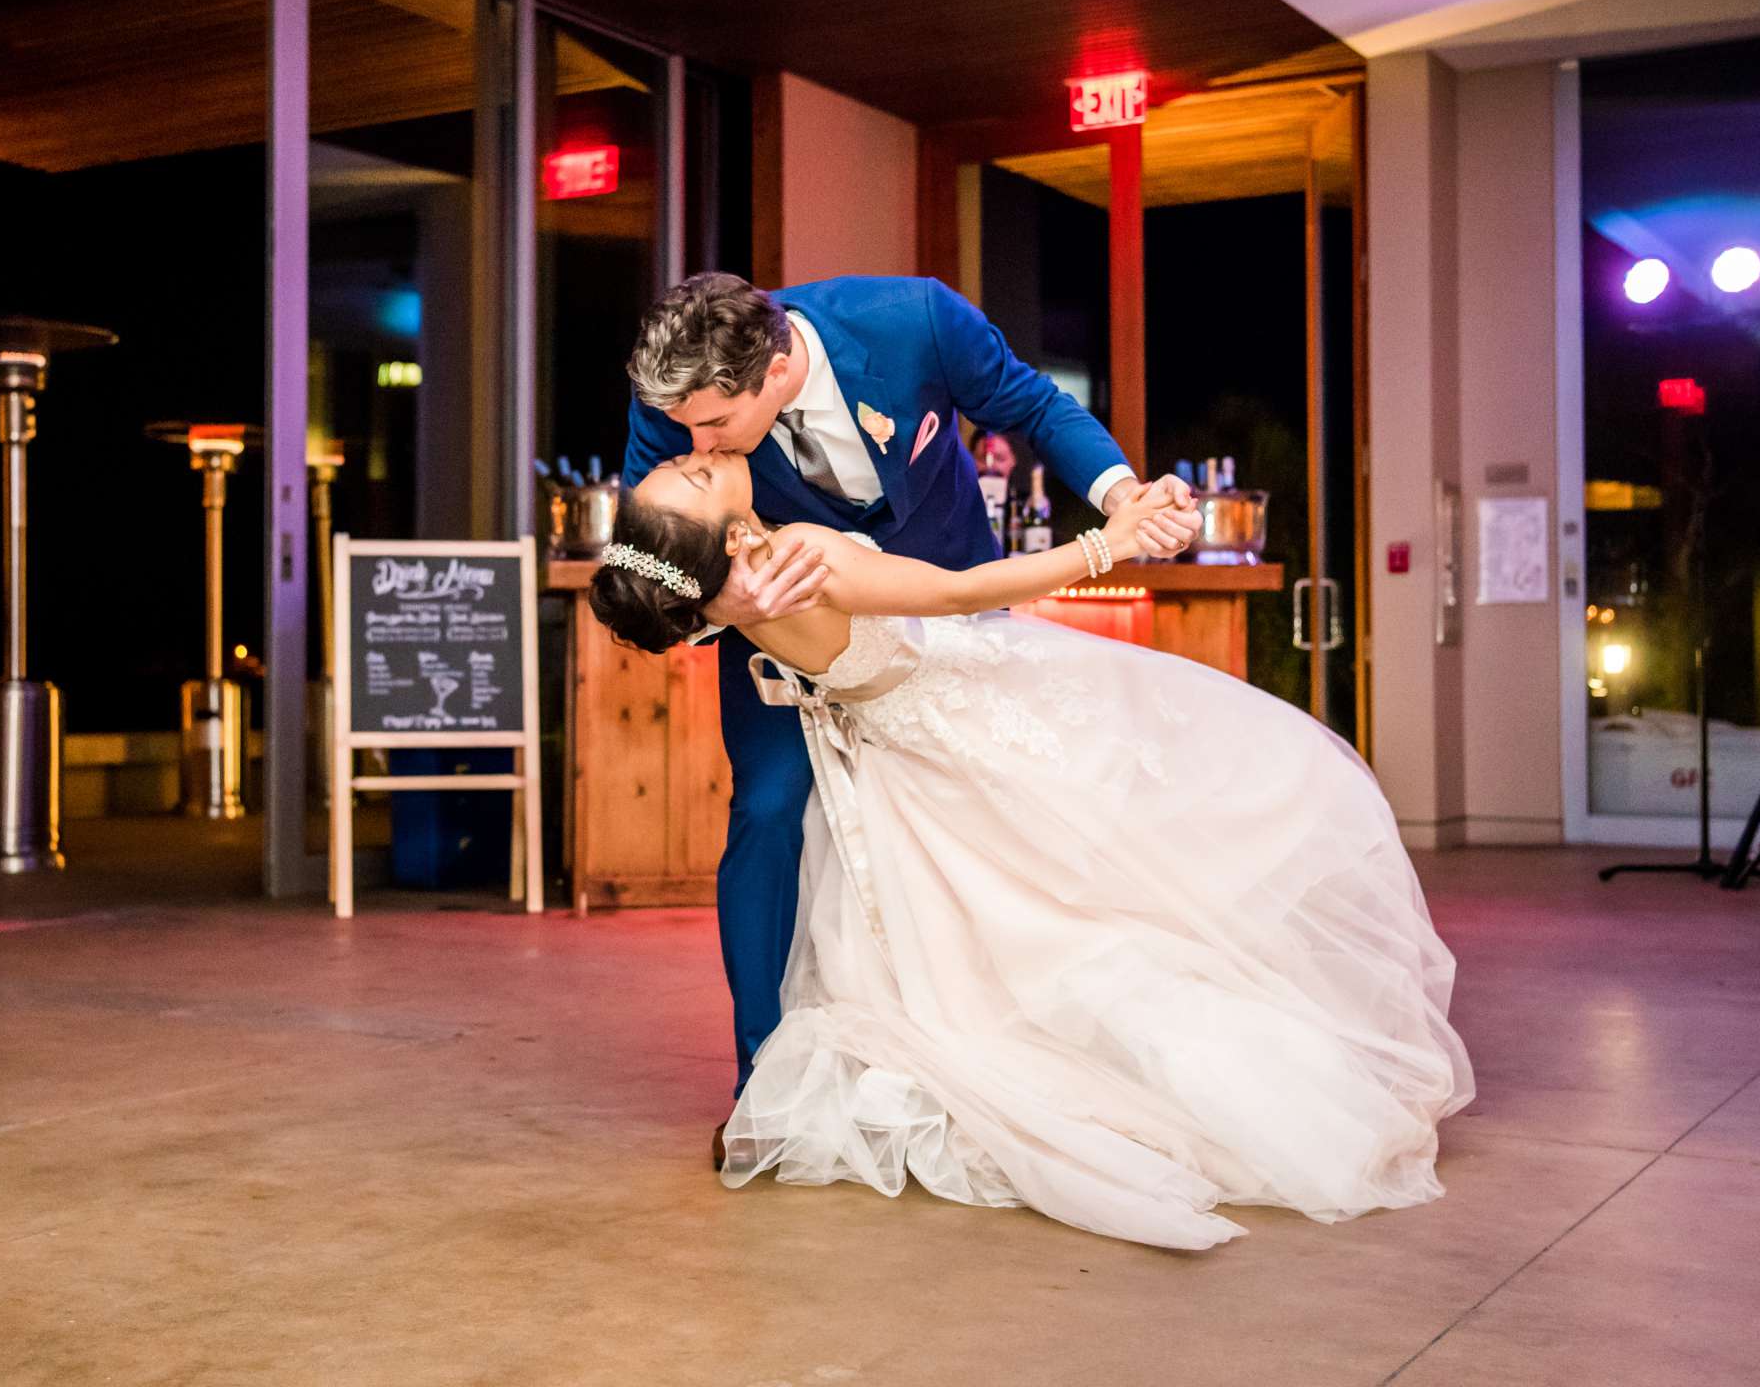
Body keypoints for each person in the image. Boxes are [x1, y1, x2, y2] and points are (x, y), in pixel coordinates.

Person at [590, 451, 1473, 1249]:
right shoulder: (808, 559)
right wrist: (1107, 544)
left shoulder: (729, 597)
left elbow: (707, 604)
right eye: (697, 477)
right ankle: (1251, 1095)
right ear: (734, 537)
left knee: (1031, 926)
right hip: (959, 723)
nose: (698, 452)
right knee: (1119, 875)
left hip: (895, 756)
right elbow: (958, 591)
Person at [621, 273, 1201, 1162]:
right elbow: (653, 555)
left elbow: (1035, 408)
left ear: (775, 371)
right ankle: (763, 1095)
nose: (689, 440)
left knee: (1007, 831)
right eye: (686, 431)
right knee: (770, 814)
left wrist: (1121, 499)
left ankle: (1028, 1040)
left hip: (944, 626)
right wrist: (722, 603)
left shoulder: (913, 321)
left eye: (711, 427)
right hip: (788, 635)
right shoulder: (677, 394)